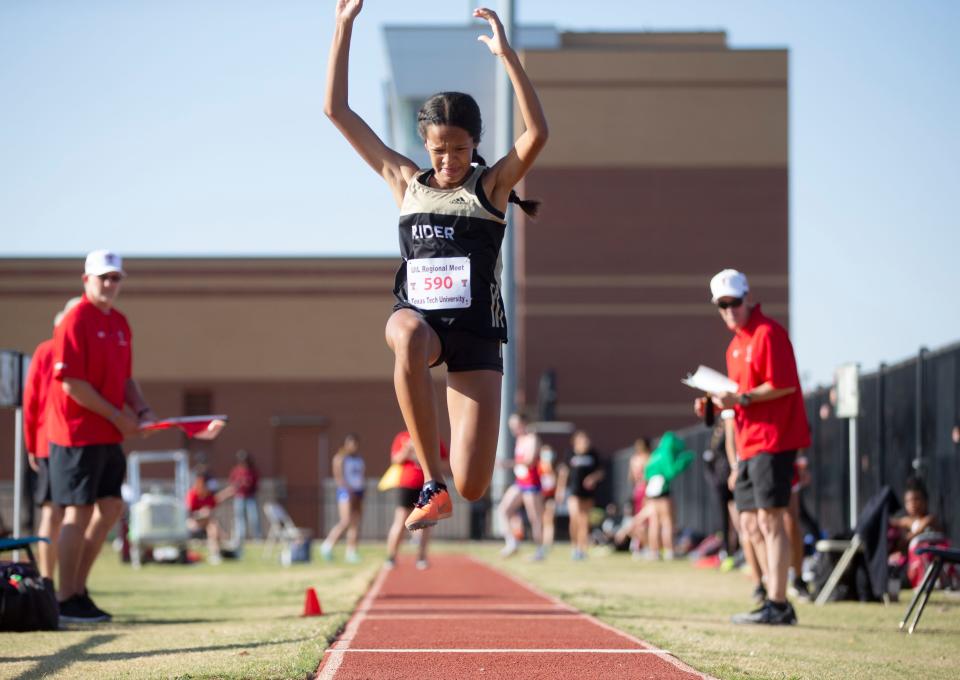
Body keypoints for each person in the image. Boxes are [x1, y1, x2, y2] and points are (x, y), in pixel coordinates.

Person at [324, 1, 548, 531]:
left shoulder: (489, 186)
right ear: (425, 143)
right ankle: (430, 480)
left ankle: (452, 486)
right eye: (440, 149)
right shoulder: (404, 180)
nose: (449, 161)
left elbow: (537, 133)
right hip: (421, 321)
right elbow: (337, 111)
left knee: (475, 484)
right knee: (402, 333)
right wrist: (343, 26)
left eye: (460, 150)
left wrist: (508, 56)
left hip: (474, 335)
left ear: (476, 146)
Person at [46, 250, 159, 623]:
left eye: (116, 278)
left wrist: (140, 410)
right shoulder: (75, 320)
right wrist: (118, 417)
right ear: (86, 280)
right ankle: (64, 598)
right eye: (103, 277)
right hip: (76, 434)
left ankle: (79, 589)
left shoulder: (120, 323)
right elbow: (72, 385)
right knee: (76, 511)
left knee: (111, 507)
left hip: (109, 433)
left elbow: (126, 379)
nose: (110, 284)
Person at [695, 268, 810, 625]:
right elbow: (738, 399)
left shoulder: (768, 333)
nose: (729, 310)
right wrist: (713, 406)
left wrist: (739, 397)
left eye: (733, 303)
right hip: (746, 444)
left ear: (747, 299)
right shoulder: (736, 346)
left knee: (771, 519)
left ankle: (780, 603)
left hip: (773, 439)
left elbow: (784, 385)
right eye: (721, 305)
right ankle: (766, 592)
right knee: (747, 522)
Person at [23, 297, 82, 584]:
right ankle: (48, 579)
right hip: (52, 440)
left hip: (70, 440)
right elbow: (31, 400)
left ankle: (62, 580)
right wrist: (32, 444)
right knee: (54, 509)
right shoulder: (47, 351)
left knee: (67, 510)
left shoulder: (80, 352)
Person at [383, 431, 439, 570]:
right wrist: (408, 449)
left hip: (427, 484)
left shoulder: (431, 434)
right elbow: (395, 460)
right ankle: (391, 557)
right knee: (401, 521)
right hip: (407, 484)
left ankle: (421, 557)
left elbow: (442, 460)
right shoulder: (402, 437)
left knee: (426, 523)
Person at [497, 413, 545, 560]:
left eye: (516, 426)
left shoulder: (533, 438)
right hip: (520, 483)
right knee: (503, 510)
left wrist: (508, 464)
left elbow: (530, 461)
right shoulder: (519, 439)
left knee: (534, 518)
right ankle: (511, 542)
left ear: (524, 423)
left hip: (532, 484)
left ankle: (539, 551)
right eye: (512, 427)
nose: (514, 429)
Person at [643, 432, 694, 560]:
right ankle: (669, 550)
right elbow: (670, 471)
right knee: (667, 521)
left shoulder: (655, 454)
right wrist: (684, 460)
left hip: (651, 491)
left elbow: (646, 473)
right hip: (662, 491)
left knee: (654, 522)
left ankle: (654, 552)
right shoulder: (666, 453)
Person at [320, 434, 365, 563]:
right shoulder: (340, 458)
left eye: (356, 443)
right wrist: (348, 489)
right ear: (346, 444)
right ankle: (327, 546)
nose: (353, 446)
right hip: (346, 492)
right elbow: (339, 477)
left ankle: (351, 552)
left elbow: (360, 476)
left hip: (358, 491)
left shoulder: (359, 459)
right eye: (351, 443)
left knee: (355, 523)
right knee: (346, 521)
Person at [560, 430, 604, 561]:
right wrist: (560, 490)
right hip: (574, 491)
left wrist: (593, 478)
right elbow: (564, 472)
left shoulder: (593, 454)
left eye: (586, 440)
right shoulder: (570, 454)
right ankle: (574, 546)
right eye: (582, 440)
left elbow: (601, 471)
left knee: (584, 521)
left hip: (587, 493)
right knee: (574, 518)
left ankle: (582, 549)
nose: (585, 443)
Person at [185, 467, 234, 564]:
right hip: (193, 522)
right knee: (210, 523)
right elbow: (188, 513)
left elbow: (215, 501)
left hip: (206, 522)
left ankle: (215, 554)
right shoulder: (192, 494)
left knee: (213, 526)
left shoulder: (208, 495)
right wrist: (200, 513)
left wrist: (227, 492)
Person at [228, 449, 262, 544]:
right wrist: (238, 485)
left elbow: (256, 484)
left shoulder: (252, 471)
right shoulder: (236, 470)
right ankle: (240, 538)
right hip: (239, 497)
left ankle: (257, 537)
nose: (243, 462)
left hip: (250, 497)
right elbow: (232, 483)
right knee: (239, 518)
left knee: (254, 517)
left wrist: (248, 485)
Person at [538, 444, 559, 553]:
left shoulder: (554, 467)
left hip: (550, 496)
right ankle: (541, 541)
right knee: (542, 519)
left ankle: (548, 542)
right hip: (540, 495)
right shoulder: (539, 466)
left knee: (549, 519)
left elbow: (555, 482)